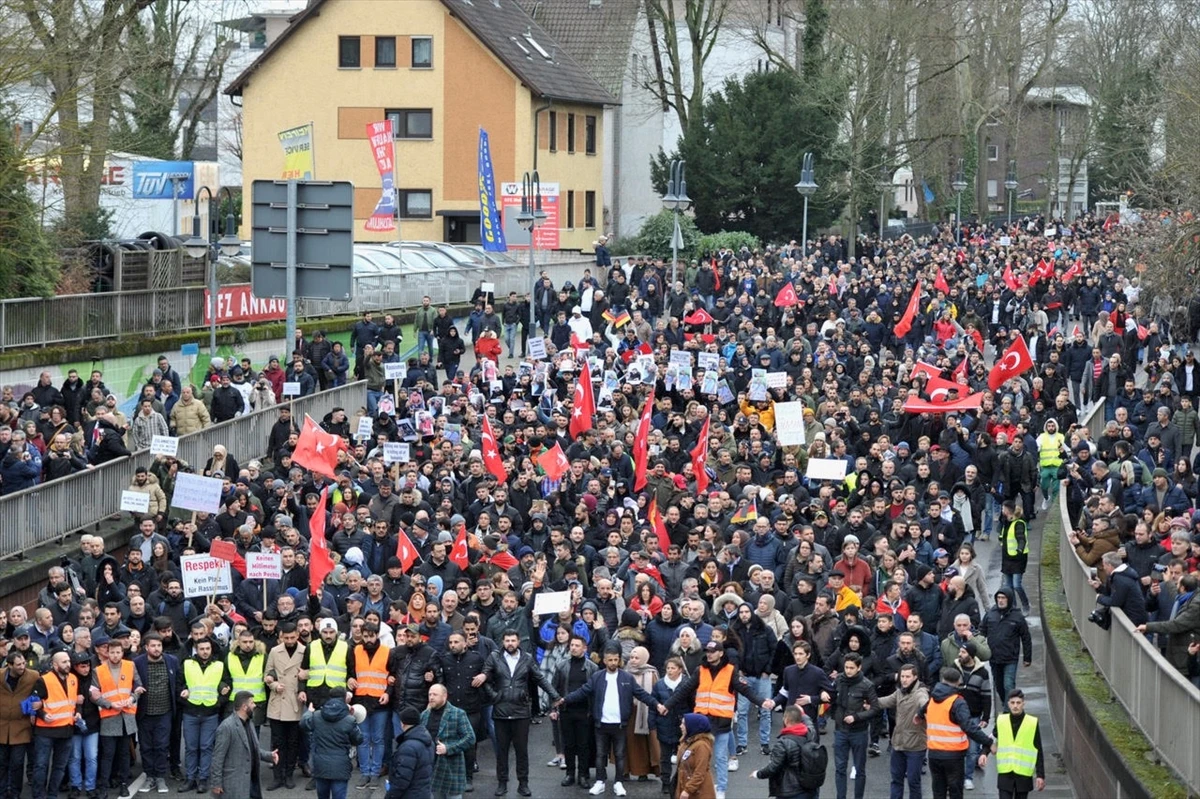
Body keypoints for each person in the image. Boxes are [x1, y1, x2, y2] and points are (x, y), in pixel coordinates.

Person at [663, 640, 775, 799]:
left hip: (721, 722)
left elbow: (744, 689)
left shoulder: (730, 671)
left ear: (721, 653)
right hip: (701, 723)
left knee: (720, 758)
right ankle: (698, 787)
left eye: (712, 651)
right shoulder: (700, 670)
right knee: (697, 758)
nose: (709, 654)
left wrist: (762, 702)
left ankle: (720, 788)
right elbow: (685, 689)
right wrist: (667, 705)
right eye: (707, 651)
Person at [557, 642, 663, 798]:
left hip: (620, 724)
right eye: (610, 660)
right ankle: (600, 781)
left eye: (616, 660)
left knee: (620, 755)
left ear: (619, 660)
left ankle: (618, 782)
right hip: (601, 723)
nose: (613, 663)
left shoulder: (626, 677)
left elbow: (642, 695)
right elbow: (583, 691)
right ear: (604, 661)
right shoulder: (597, 677)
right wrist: (564, 700)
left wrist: (657, 705)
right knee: (600, 754)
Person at [480, 630, 561, 797]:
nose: (510, 643)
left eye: (513, 640)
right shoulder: (494, 657)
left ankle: (523, 784)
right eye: (507, 640)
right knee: (501, 751)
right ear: (503, 642)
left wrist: (555, 695)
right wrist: (495, 696)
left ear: (518, 642)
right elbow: (484, 678)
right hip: (501, 710)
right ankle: (502, 783)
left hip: (521, 711)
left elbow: (540, 678)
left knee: (521, 751)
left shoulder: (527, 658)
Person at [923, 667, 996, 799]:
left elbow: (922, 711)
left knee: (938, 792)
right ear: (958, 682)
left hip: (934, 754)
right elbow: (969, 727)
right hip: (953, 756)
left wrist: (917, 715)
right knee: (955, 791)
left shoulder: (932, 699)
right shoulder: (957, 702)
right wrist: (988, 742)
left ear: (942, 680)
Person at [90, 631, 142, 799]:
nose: (115, 655)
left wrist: (132, 698)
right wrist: (109, 704)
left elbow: (138, 687)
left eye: (118, 652)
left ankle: (123, 784)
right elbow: (94, 694)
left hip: (126, 716)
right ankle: (104, 786)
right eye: (111, 652)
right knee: (108, 754)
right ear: (107, 652)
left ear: (122, 652)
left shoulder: (130, 666)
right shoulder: (98, 670)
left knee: (124, 754)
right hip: (109, 716)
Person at [179, 637, 231, 792]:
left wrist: (219, 702)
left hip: (210, 712)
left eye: (207, 648)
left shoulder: (219, 665)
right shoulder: (187, 664)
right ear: (196, 649)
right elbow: (178, 683)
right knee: (191, 747)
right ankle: (190, 778)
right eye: (201, 649)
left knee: (207, 747)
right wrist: (183, 694)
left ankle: (203, 779)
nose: (205, 651)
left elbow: (228, 685)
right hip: (191, 711)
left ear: (211, 649)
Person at [29, 650, 79, 799]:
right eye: (64, 662)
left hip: (66, 730)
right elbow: (33, 704)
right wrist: (43, 715)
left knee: (59, 767)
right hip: (46, 731)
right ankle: (39, 796)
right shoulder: (43, 680)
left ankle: (52, 794)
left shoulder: (74, 679)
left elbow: (74, 701)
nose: (68, 664)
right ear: (55, 664)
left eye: (69, 661)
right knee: (41, 766)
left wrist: (78, 712)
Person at [210, 690, 278, 799]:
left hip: (249, 783)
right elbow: (218, 758)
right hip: (233, 785)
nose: (255, 705)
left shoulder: (249, 723)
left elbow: (251, 748)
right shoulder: (227, 727)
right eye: (252, 703)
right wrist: (216, 783)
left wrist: (269, 756)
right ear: (244, 707)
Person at [133, 631, 177, 794]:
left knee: (161, 746)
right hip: (144, 712)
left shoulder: (172, 661)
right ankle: (149, 776)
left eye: (159, 645)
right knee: (145, 746)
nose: (157, 649)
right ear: (146, 647)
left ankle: (160, 776)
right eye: (153, 646)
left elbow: (177, 682)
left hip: (165, 711)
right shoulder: (137, 662)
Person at [877, 663, 929, 799]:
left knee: (913, 782)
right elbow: (886, 701)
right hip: (898, 744)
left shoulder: (920, 693)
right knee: (896, 780)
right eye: (902, 676)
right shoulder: (900, 692)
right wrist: (869, 703)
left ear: (915, 677)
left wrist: (923, 712)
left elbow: (925, 703)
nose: (904, 680)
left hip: (915, 746)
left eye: (908, 677)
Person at [830, 652, 878, 799]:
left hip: (859, 732)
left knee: (859, 769)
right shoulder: (839, 680)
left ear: (859, 668)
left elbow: (875, 708)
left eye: (852, 667)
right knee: (840, 769)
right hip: (840, 730)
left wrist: (856, 717)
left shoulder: (866, 685)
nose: (848, 670)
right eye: (846, 667)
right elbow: (831, 697)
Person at [264, 621, 306, 790]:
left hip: (294, 701)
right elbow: (267, 673)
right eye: (286, 638)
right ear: (281, 636)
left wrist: (305, 675)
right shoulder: (274, 651)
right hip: (278, 703)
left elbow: (311, 671)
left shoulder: (305, 651)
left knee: (293, 742)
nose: (289, 641)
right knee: (277, 742)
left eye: (292, 637)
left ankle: (288, 775)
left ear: (297, 635)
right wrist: (273, 685)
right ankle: (277, 775)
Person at [749, 704, 821, 799]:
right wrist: (802, 714)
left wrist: (758, 774)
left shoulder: (783, 743)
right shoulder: (810, 734)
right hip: (810, 790)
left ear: (786, 720)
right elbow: (810, 724)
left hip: (790, 792)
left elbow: (773, 767)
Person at [300, 694, 363, 799]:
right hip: (341, 767)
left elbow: (304, 724)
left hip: (320, 766)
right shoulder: (349, 720)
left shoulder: (316, 716)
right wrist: (353, 719)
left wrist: (309, 712)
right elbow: (358, 739)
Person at [421, 683, 476, 799]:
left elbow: (470, 738)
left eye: (435, 694)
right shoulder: (424, 715)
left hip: (451, 768)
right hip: (431, 767)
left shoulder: (458, 714)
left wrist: (448, 748)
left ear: (444, 696)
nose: (431, 697)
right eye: (430, 694)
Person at [979, 589, 1033, 704]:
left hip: (1010, 658)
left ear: (1009, 599)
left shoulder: (1017, 616)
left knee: (1008, 685)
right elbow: (981, 633)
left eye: (1003, 598)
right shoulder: (990, 614)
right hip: (994, 657)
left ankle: (1007, 712)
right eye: (999, 598)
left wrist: (1027, 657)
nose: (1001, 601)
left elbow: (1026, 637)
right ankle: (1006, 704)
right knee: (999, 686)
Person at [0, 650, 39, 799]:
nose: (22, 667)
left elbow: (41, 693)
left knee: (17, 763)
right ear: (9, 665)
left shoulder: (33, 676)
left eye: (23, 663)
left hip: (21, 726)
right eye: (18, 665)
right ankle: (2, 793)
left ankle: (15, 793)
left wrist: (37, 705)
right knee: (2, 763)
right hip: (2, 726)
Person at [994, 689, 1046, 799]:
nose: (1015, 706)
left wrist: (1040, 775)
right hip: (1005, 774)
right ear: (1008, 704)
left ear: (1023, 704)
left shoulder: (1031, 723)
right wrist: (984, 752)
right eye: (1012, 703)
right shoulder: (1001, 720)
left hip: (1023, 776)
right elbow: (992, 737)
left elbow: (1038, 749)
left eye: (1018, 703)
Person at [386, 706, 435, 799]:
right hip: (424, 792)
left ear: (402, 723)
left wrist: (390, 796)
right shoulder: (428, 740)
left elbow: (401, 780)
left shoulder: (408, 747)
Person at [674, 713, 716, 799]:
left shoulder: (701, 746)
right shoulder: (687, 741)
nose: (680, 726)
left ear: (693, 726)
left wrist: (687, 790)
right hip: (689, 789)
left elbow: (700, 772)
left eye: (684, 724)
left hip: (699, 793)